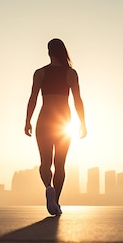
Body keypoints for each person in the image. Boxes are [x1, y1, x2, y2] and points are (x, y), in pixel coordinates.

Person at [24, 38, 87, 216]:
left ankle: (48, 187)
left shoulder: (40, 73)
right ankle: (56, 202)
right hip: (64, 122)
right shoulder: (71, 74)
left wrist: (27, 120)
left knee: (45, 163)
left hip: (44, 120)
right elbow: (77, 100)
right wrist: (83, 122)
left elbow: (33, 98)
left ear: (49, 52)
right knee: (60, 164)